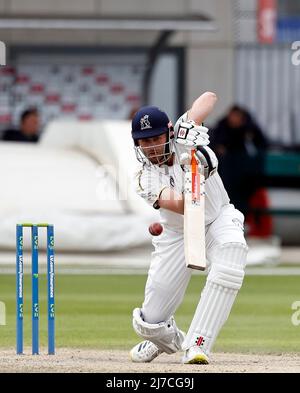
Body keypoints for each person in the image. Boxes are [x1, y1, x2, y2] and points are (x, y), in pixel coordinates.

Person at [129, 92, 248, 365]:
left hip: (218, 218)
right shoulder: (143, 178)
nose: (151, 147)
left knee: (233, 251)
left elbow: (209, 97)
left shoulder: (183, 134)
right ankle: (164, 339)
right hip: (176, 236)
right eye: (144, 141)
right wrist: (196, 175)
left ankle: (197, 344)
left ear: (169, 132)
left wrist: (192, 132)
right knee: (148, 322)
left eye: (156, 138)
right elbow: (185, 205)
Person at [210, 105, 268, 217]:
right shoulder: (222, 127)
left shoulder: (249, 129)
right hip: (226, 171)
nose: (233, 119)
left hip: (245, 173)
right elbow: (216, 145)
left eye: (237, 117)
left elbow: (260, 146)